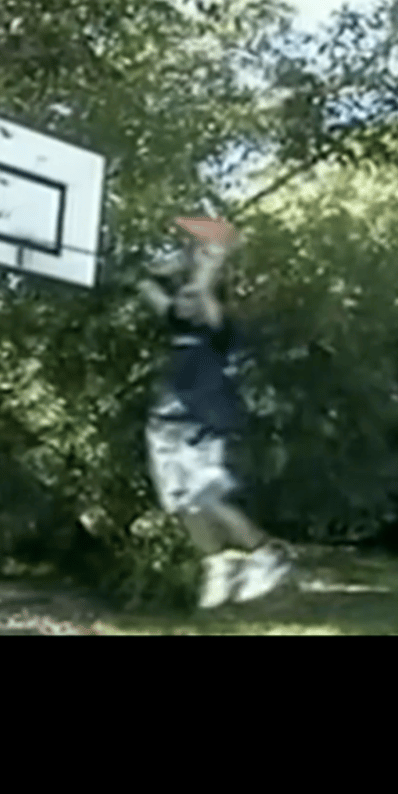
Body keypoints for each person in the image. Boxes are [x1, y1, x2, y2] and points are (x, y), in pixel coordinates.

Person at [140, 225, 293, 608]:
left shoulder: (219, 332)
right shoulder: (177, 326)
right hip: (165, 427)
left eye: (194, 297)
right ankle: (219, 565)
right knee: (183, 506)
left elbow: (204, 289)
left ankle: (266, 554)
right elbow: (142, 284)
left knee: (206, 497)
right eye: (181, 296)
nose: (185, 300)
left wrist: (212, 258)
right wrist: (167, 266)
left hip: (202, 425)